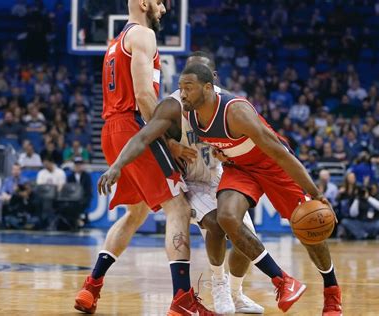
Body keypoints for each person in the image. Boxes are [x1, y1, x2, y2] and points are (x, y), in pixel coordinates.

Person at [101, 64, 342, 314]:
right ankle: (281, 281)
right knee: (225, 218)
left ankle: (332, 292)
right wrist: (120, 164)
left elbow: (281, 154)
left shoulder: (235, 111)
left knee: (309, 230)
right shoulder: (189, 112)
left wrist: (316, 194)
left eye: (188, 88)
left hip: (273, 166)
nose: (182, 94)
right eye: (180, 88)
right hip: (238, 168)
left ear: (208, 87)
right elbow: (144, 136)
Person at [74, 2, 214, 315]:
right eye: (160, 1)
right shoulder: (143, 35)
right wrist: (169, 141)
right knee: (177, 205)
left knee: (136, 214)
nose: (164, 8)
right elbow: (144, 95)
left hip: (111, 129)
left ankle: (91, 287)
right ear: (143, 3)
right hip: (133, 126)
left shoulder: (115, 43)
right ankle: (183, 299)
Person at [98, 51, 263, 314]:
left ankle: (236, 293)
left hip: (219, 176)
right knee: (215, 224)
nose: (188, 88)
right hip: (190, 181)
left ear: (211, 81)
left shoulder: (229, 106)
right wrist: (122, 163)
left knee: (247, 239)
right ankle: (218, 284)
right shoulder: (174, 106)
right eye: (186, 80)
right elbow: (145, 136)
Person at [67, 157, 92, 227]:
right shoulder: (70, 177)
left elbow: (88, 191)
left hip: (83, 199)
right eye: (76, 164)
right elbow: (68, 190)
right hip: (72, 200)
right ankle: (77, 221)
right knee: (70, 205)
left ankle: (78, 221)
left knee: (79, 204)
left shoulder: (87, 177)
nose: (78, 166)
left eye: (80, 164)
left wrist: (84, 199)